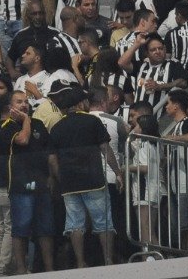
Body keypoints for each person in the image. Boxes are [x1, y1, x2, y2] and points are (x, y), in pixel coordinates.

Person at [47, 86, 121, 266]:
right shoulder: (91, 122)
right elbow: (105, 148)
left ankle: (80, 262)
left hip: (69, 183)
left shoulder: (57, 127)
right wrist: (118, 173)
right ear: (80, 102)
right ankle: (108, 260)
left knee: (75, 224)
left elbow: (52, 159)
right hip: (93, 179)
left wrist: (60, 179)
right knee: (103, 222)